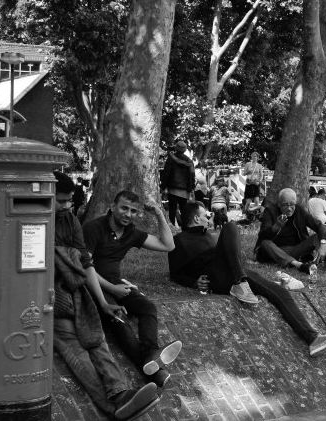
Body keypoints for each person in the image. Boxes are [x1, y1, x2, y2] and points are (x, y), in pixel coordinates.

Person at [168, 201, 326, 357]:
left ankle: (313, 338)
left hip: (236, 272)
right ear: (196, 219)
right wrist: (193, 282)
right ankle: (240, 283)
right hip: (218, 277)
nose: (209, 218)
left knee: (278, 291)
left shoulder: (210, 235)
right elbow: (174, 273)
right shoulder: (179, 240)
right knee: (230, 226)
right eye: (206, 215)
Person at [52, 172, 160, 419]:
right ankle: (112, 407)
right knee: (76, 350)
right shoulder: (41, 220)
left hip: (76, 292)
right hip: (49, 298)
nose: (67, 206)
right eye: (61, 201)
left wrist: (103, 301)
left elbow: (85, 261)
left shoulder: (70, 220)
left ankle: (121, 393)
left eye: (70, 201)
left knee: (97, 340)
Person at [83, 190, 182, 388]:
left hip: (117, 283)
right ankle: (153, 370)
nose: (128, 214)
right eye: (124, 208)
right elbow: (84, 268)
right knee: (119, 320)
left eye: (133, 211)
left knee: (147, 308)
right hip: (92, 285)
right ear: (113, 207)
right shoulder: (94, 228)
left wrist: (159, 214)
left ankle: (151, 355)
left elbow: (168, 245)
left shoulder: (131, 233)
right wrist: (112, 288)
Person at [255, 188, 326, 275]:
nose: (289, 209)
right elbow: (263, 235)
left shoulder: (299, 211)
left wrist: (323, 244)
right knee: (265, 243)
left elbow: (319, 226)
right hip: (277, 251)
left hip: (296, 249)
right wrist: (276, 226)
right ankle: (299, 265)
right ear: (279, 204)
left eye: (292, 205)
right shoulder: (270, 211)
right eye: (285, 205)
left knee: (317, 237)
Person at [161, 140, 195, 227]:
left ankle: (172, 227)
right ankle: (185, 228)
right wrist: (191, 188)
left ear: (176, 148)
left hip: (172, 188)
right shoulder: (189, 161)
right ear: (185, 150)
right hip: (184, 190)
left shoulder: (171, 159)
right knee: (184, 210)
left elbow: (166, 173)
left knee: (172, 210)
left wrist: (163, 186)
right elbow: (192, 175)